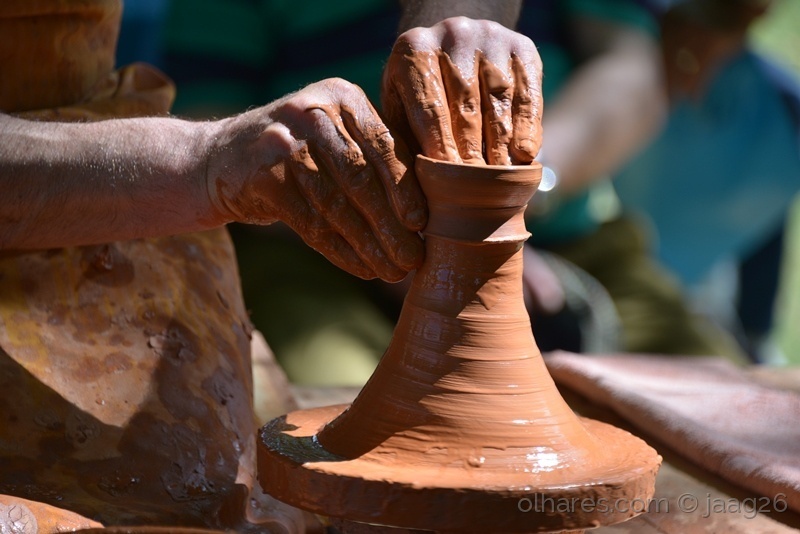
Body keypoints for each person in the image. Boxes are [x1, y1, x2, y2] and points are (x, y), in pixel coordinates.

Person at [0, 1, 542, 531]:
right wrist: (204, 162)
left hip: (119, 171)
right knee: (182, 497)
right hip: (94, 175)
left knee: (260, 484)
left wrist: (446, 38)